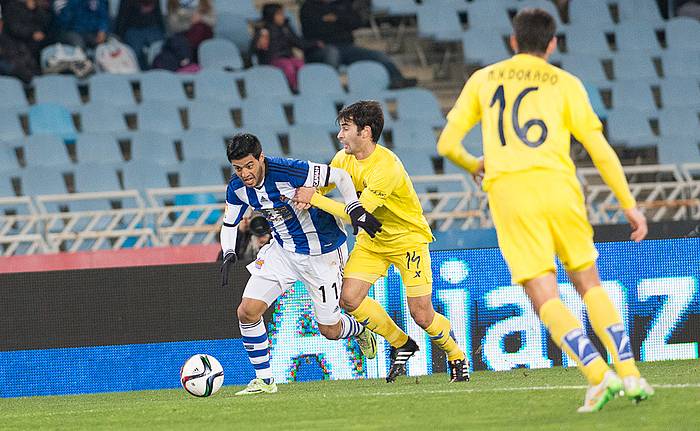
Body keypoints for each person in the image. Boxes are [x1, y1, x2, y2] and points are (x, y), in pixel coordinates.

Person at [436, 9, 654, 412]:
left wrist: (475, 164)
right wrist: (629, 205)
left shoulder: (484, 79)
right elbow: (599, 149)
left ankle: (597, 375)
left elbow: (447, 143)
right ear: (552, 44)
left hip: (511, 193)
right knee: (590, 284)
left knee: (543, 294)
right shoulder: (566, 83)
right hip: (560, 187)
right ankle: (630, 372)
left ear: (513, 41)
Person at [292, 101, 471, 383]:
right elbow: (322, 185)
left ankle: (456, 355)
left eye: (345, 128)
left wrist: (313, 198)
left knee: (421, 315)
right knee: (349, 300)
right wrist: (303, 191)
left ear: (365, 132)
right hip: (372, 242)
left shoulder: (386, 168)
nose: (340, 135)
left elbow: (356, 214)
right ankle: (402, 343)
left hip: (407, 241)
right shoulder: (342, 159)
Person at [220, 133, 381, 395]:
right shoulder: (237, 187)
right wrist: (228, 252)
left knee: (329, 329)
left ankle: (360, 330)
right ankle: (265, 381)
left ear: (260, 158)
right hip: (282, 251)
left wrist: (354, 208)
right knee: (246, 312)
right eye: (238, 168)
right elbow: (229, 224)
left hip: (322, 253)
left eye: (249, 165)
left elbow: (340, 176)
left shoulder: (289, 170)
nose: (245, 173)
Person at [299, 0, 416, 89]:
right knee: (332, 54)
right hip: (320, 49)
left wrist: (337, 18)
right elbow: (312, 30)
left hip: (346, 47)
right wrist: (338, 23)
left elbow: (356, 22)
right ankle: (329, 88)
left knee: (377, 55)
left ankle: (397, 79)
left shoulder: (341, 4)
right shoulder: (308, 7)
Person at [251, 3, 317, 92]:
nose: (282, 17)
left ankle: (308, 87)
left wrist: (314, 44)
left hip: (287, 56)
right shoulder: (263, 30)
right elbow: (255, 48)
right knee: (287, 66)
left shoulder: (286, 28)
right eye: (279, 14)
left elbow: (297, 42)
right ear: (271, 15)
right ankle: (295, 88)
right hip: (271, 59)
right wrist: (259, 43)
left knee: (300, 64)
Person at [114, 0, 165, 70]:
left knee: (159, 53)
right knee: (134, 55)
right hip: (133, 28)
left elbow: (158, 15)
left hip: (152, 28)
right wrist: (119, 35)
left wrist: (163, 32)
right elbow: (122, 16)